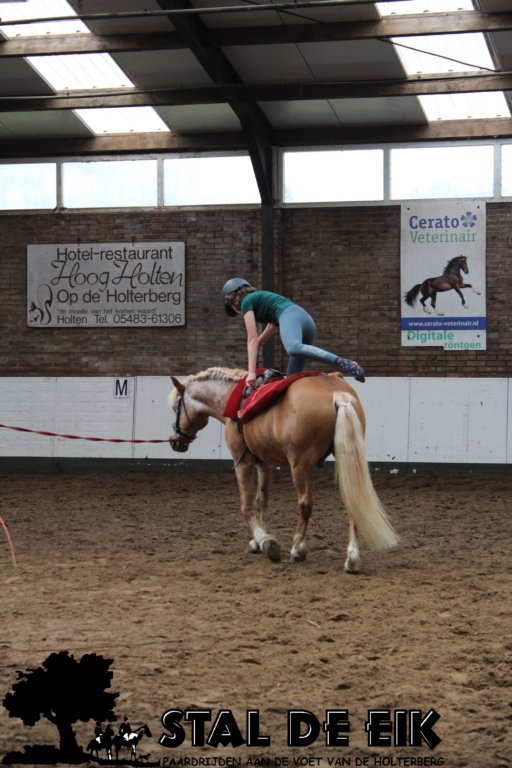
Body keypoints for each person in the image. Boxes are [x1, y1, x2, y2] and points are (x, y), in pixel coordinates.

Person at [221, 277, 365, 386]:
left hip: (290, 315)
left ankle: (343, 362)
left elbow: (252, 338)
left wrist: (251, 373)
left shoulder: (246, 302)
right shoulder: (260, 298)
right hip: (305, 320)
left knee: (293, 347)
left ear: (233, 302)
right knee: (290, 383)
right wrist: (260, 341)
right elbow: (272, 326)